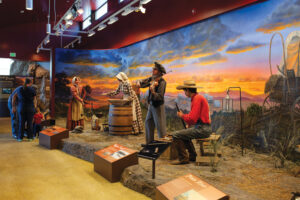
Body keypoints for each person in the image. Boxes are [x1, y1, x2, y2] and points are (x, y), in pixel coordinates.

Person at [171, 80, 212, 165]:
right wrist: (189, 124)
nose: (184, 92)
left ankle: (183, 158)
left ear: (188, 90)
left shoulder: (197, 99)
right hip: (202, 127)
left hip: (202, 129)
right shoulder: (197, 98)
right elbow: (196, 118)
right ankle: (193, 156)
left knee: (175, 135)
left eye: (184, 90)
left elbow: (192, 118)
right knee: (184, 134)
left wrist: (182, 115)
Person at [137, 62, 167, 144]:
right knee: (148, 123)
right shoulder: (152, 79)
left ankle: (164, 146)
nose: (153, 70)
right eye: (153, 69)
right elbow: (143, 83)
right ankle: (149, 143)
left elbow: (160, 97)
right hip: (151, 105)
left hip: (158, 106)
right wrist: (139, 82)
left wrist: (153, 91)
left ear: (160, 72)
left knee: (160, 127)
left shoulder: (162, 82)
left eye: (155, 69)